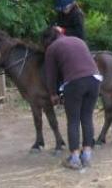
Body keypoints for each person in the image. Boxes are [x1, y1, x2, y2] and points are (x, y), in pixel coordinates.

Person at [43, 26, 101, 169]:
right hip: (95, 79)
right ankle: (87, 156)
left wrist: (53, 94)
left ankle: (74, 158)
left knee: (73, 121)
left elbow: (50, 75)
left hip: (75, 83)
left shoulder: (52, 48)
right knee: (87, 118)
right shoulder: (78, 40)